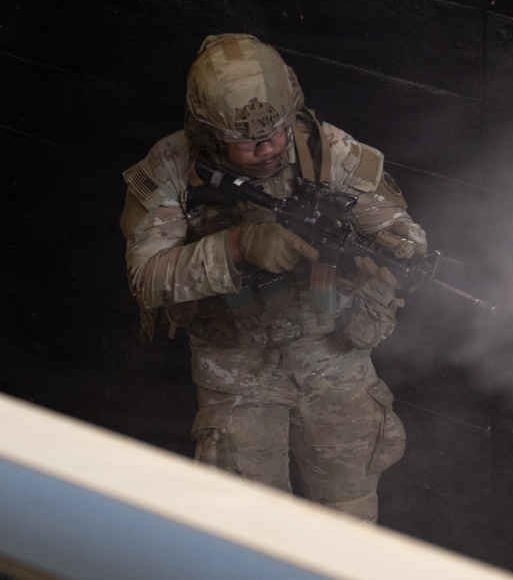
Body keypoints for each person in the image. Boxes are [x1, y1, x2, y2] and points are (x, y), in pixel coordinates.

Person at [119, 33, 427, 523]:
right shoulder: (172, 167)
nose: (267, 148)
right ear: (209, 133)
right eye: (246, 142)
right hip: (235, 365)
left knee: (350, 520)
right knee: (250, 526)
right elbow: (145, 276)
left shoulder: (328, 150)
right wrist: (237, 247)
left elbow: (393, 224)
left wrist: (398, 248)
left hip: (333, 353)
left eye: (278, 132)